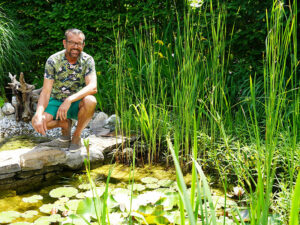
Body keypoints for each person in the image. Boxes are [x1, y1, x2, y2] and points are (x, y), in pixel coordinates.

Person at [32, 28, 97, 151]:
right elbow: (45, 92)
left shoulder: (88, 60)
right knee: (37, 122)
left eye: (79, 43)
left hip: (77, 102)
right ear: (64, 43)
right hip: (56, 101)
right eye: (71, 42)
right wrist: (38, 114)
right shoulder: (53, 60)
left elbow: (93, 87)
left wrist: (69, 100)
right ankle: (64, 125)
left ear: (83, 45)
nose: (75, 46)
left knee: (91, 100)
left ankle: (76, 137)